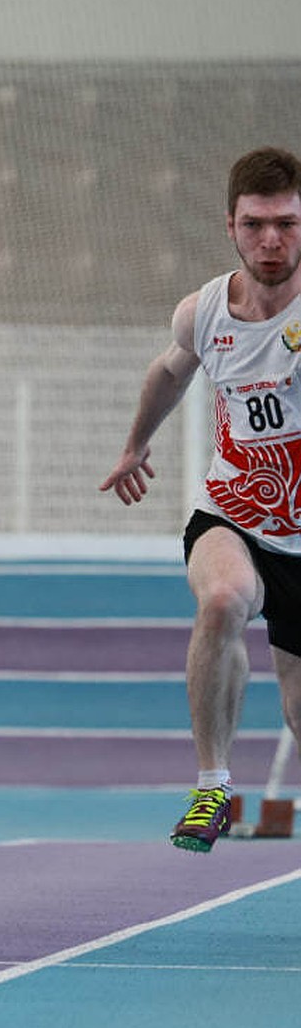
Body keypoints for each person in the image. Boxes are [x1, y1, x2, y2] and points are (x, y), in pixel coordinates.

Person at [101, 145, 301, 852]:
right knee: (222, 600)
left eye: (286, 223)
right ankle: (212, 786)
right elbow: (170, 370)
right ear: (231, 226)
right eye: (256, 224)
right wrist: (135, 445)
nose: (271, 240)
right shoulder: (204, 310)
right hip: (234, 514)